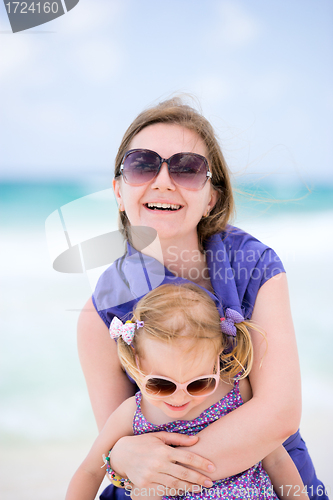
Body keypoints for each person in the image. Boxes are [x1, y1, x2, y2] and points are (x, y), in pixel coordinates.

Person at [78, 97, 327, 500]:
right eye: (142, 165)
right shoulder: (100, 314)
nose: (162, 180)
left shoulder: (254, 266)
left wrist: (165, 480)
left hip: (268, 482)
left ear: (210, 195)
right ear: (118, 192)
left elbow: (279, 413)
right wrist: (121, 461)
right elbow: (121, 447)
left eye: (186, 168)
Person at [68, 283, 310, 500]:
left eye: (198, 383)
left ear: (216, 362)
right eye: (162, 384)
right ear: (138, 363)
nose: (180, 397)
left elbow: (276, 459)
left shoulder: (236, 393)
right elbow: (90, 471)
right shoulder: (133, 413)